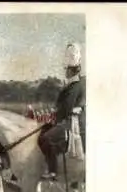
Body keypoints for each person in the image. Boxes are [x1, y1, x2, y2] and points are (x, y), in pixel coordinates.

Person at [38, 43, 86, 179]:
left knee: (46, 138)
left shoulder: (77, 86)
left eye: (67, 69)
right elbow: (60, 106)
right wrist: (52, 115)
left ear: (72, 71)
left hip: (71, 122)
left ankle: (53, 170)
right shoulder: (69, 85)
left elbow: (69, 107)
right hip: (62, 120)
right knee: (41, 132)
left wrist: (56, 116)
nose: (65, 71)